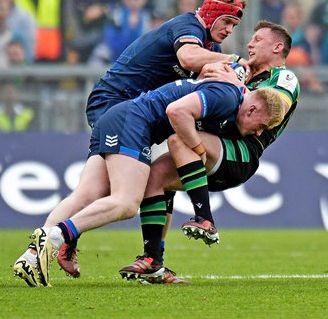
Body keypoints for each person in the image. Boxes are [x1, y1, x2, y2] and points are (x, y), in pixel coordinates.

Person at [12, 0, 247, 287]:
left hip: (124, 109)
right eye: (226, 21)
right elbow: (188, 58)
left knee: (94, 191)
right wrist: (234, 61)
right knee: (126, 198)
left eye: (235, 26)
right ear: (211, 14)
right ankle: (66, 240)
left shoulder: (208, 50)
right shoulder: (189, 28)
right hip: (118, 106)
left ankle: (35, 254)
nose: (229, 29)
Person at [28, 77, 285, 287]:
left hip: (121, 118)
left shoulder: (229, 97)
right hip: (133, 121)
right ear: (251, 109)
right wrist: (197, 147)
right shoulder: (229, 97)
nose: (259, 133)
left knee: (89, 195)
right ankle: (55, 236)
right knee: (126, 203)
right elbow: (176, 111)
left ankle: (31, 256)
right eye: (261, 126)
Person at [116, 20, 300, 284]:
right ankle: (152, 261)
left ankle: (205, 218)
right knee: (155, 177)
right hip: (214, 145)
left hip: (242, 152)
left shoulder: (284, 77)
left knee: (180, 140)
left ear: (277, 46)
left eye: (258, 39)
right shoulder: (242, 72)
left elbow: (276, 108)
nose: (249, 43)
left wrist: (236, 86)